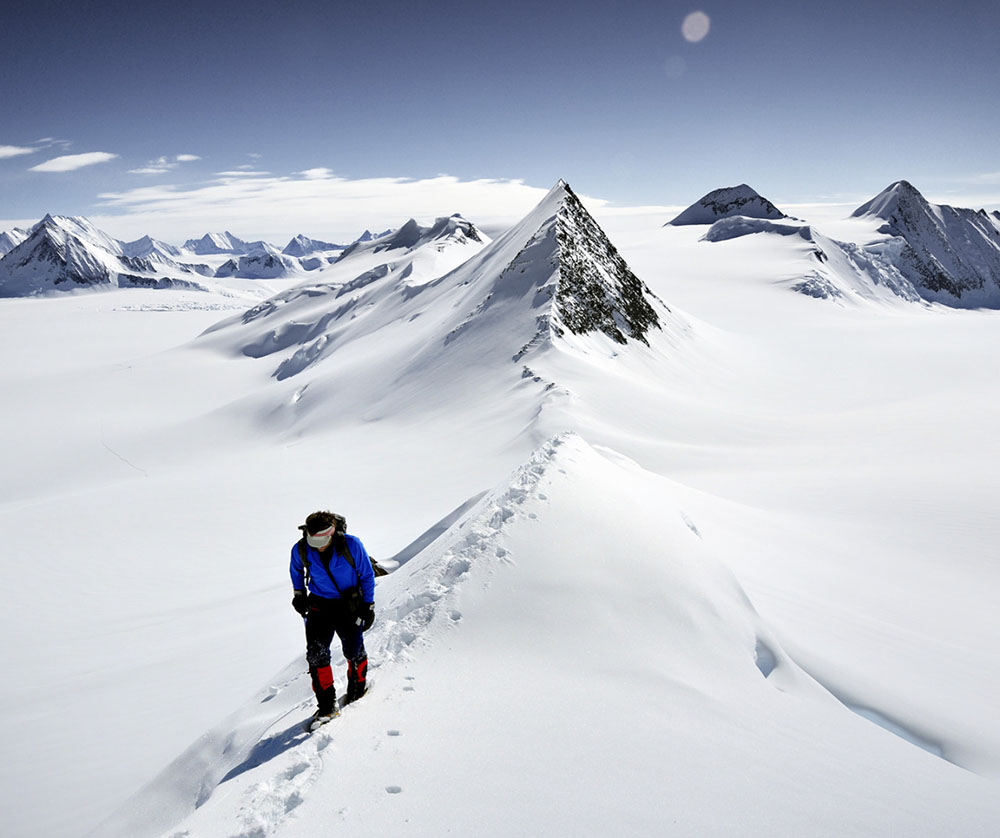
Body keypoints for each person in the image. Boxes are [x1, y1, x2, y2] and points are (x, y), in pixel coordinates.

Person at [290, 510, 376, 727]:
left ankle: (357, 692)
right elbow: (296, 570)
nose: (318, 545)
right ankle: (327, 707)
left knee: (353, 651)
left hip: (349, 605)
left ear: (332, 533)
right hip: (319, 605)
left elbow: (366, 574)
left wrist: (368, 605)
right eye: (313, 540)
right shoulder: (301, 549)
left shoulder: (352, 545)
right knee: (316, 655)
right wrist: (299, 595)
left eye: (322, 540)